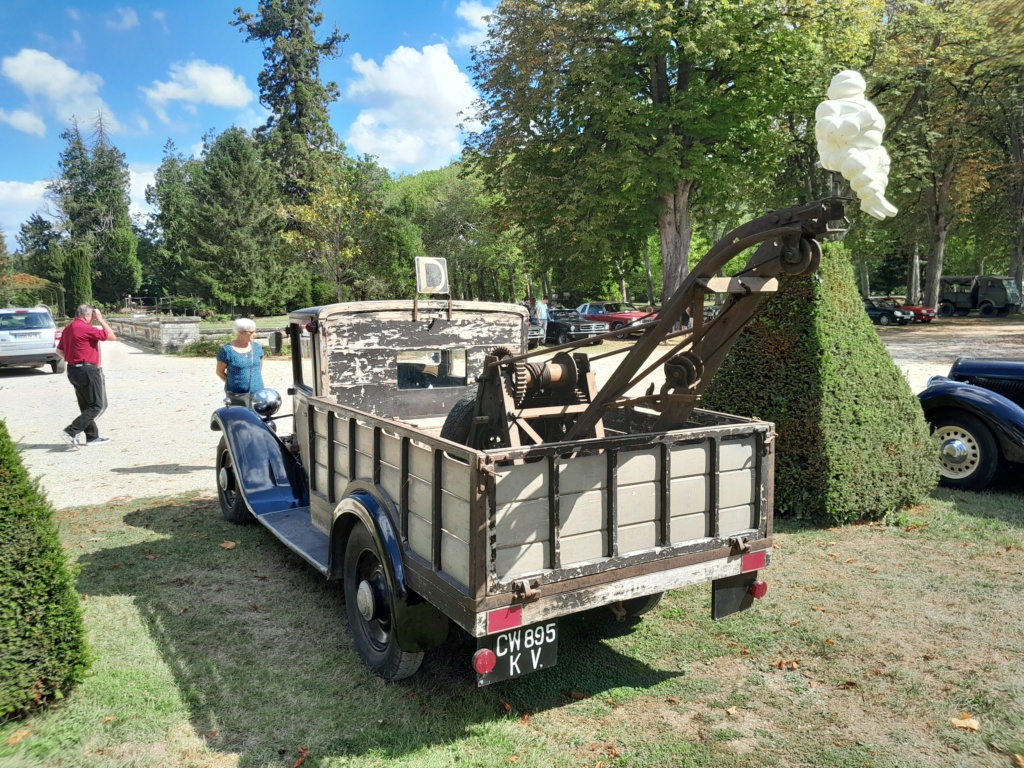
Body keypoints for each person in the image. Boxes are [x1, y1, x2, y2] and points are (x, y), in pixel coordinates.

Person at [57, 304, 117, 449]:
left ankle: (92, 437)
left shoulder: (69, 328)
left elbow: (59, 351)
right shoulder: (86, 328)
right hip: (87, 370)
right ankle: (72, 430)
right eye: (93, 316)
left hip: (73, 370)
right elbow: (111, 336)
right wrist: (101, 320)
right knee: (97, 405)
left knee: (86, 405)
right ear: (87, 315)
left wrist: (73, 359)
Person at [216, 318, 265, 407]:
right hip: (236, 397)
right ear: (241, 333)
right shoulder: (227, 350)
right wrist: (235, 382)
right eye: (252, 332)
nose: (255, 334)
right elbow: (219, 372)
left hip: (258, 395)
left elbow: (259, 367)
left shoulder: (257, 347)